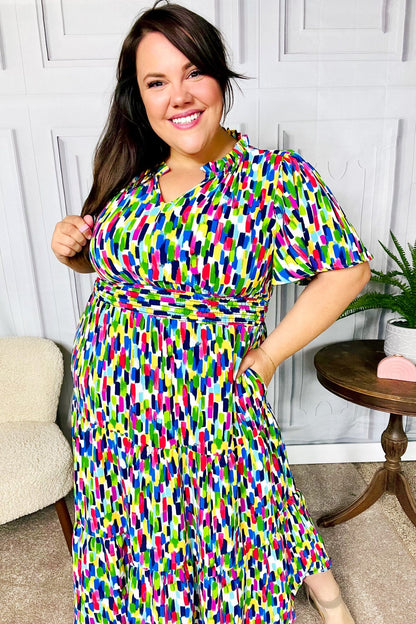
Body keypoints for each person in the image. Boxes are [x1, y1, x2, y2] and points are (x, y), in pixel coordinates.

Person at [51, 2, 372, 623]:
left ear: (221, 77)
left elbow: (349, 270)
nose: (179, 95)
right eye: (156, 81)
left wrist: (268, 357)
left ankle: (325, 594)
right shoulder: (130, 172)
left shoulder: (273, 177)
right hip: (112, 402)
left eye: (193, 72)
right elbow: (117, 269)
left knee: (247, 510)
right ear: (138, 97)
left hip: (208, 393)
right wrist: (72, 249)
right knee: (135, 531)